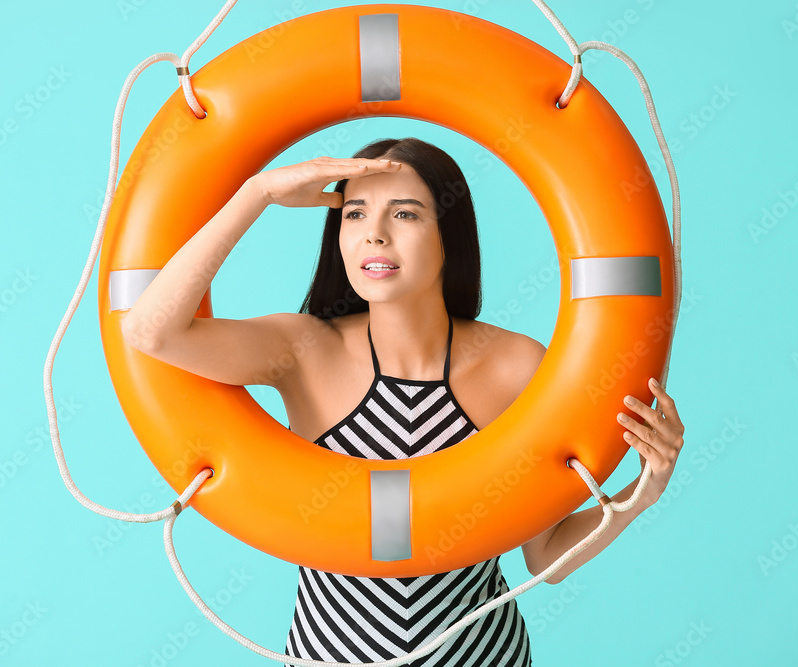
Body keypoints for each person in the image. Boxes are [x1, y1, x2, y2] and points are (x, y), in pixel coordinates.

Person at [121, 137, 685, 666]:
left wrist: (642, 492)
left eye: (407, 213)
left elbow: (544, 556)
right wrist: (258, 194)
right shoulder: (302, 350)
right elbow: (152, 332)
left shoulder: (515, 364)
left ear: (449, 236)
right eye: (355, 214)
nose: (376, 235)